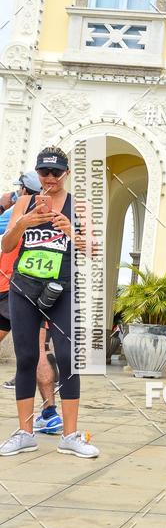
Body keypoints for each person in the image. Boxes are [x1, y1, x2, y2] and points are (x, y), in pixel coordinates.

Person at [0, 146, 99, 458]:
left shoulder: (78, 206)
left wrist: (71, 230)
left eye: (56, 172)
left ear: (66, 173)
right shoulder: (25, 203)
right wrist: (22, 223)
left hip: (63, 290)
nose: (50, 178)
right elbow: (6, 246)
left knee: (69, 357)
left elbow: (93, 249)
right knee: (26, 357)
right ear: (38, 172)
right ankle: (25, 432)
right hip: (23, 289)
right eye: (44, 172)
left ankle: (70, 435)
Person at [0, 173, 61, 417]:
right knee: (39, 351)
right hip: (32, 289)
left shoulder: (15, 213)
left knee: (35, 353)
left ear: (26, 192)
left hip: (12, 288)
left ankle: (49, 414)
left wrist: (5, 203)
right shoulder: (54, 216)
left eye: (20, 190)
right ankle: (50, 413)